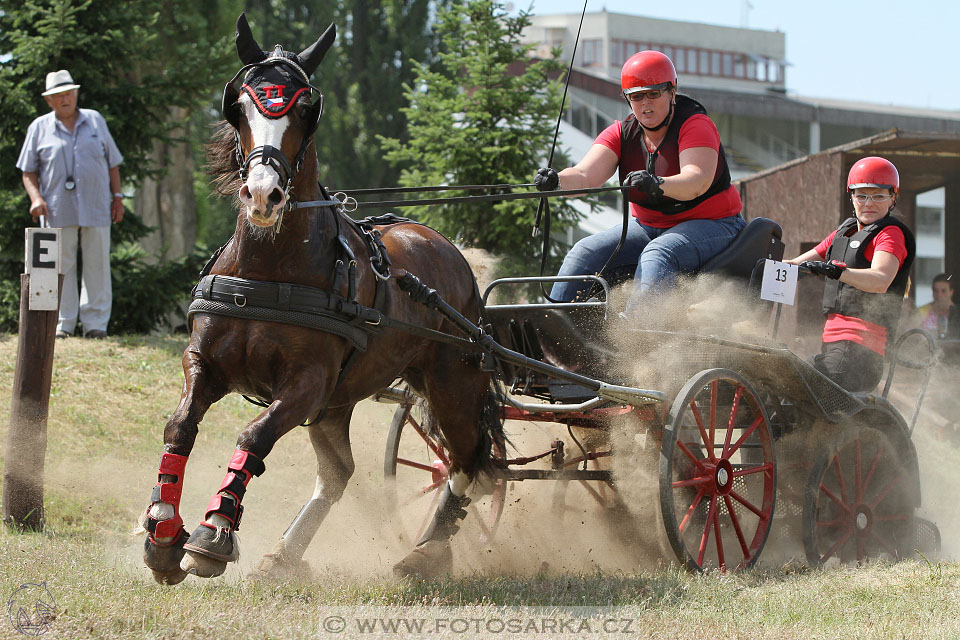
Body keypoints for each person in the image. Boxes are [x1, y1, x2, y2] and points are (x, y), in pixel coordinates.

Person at [534, 50, 745, 310]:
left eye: (654, 93)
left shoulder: (695, 124)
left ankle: (636, 337)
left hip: (715, 224)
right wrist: (556, 181)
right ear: (627, 99)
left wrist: (657, 184)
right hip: (648, 226)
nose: (646, 103)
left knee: (659, 253)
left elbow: (696, 181)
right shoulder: (621, 133)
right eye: (636, 96)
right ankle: (551, 330)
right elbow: (585, 175)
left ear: (672, 91)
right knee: (584, 251)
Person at [785, 157, 915, 393]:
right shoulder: (845, 232)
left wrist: (837, 272)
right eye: (861, 195)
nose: (869, 203)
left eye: (878, 196)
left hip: (859, 354)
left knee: (799, 391)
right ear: (851, 197)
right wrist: (767, 265)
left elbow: (880, 280)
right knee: (787, 386)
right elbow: (797, 264)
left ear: (892, 198)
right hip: (835, 347)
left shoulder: (890, 235)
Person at [17, 69, 124, 339]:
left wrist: (118, 197)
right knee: (60, 266)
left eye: (68, 93)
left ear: (76, 94)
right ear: (49, 101)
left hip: (97, 205)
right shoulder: (39, 127)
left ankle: (95, 325)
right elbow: (28, 171)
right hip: (56, 208)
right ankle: (63, 324)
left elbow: (112, 163)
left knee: (97, 264)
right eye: (58, 96)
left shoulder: (95, 120)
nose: (65, 99)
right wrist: (36, 198)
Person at [914, 273, 957, 338]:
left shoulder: (957, 313)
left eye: (943, 291)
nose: (939, 295)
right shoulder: (922, 311)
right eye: (936, 291)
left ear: (951, 292)